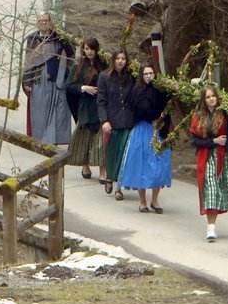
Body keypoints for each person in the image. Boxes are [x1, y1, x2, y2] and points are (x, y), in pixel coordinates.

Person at [190, 85, 228, 241]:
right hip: (207, 156)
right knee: (211, 189)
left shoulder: (224, 114)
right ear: (203, 100)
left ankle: (213, 223)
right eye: (208, 97)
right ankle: (210, 227)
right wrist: (214, 141)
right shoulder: (198, 117)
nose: (211, 99)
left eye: (213, 96)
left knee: (221, 189)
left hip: (223, 157)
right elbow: (195, 141)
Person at [119, 64, 172, 213]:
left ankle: (155, 200)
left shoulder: (160, 91)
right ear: (142, 76)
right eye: (146, 74)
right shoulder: (136, 91)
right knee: (141, 165)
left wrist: (163, 127)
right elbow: (137, 110)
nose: (149, 76)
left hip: (157, 130)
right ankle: (142, 201)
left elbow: (166, 109)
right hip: (142, 129)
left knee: (160, 164)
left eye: (151, 73)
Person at [21, 13, 75, 145]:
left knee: (58, 112)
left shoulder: (57, 37)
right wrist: (27, 81)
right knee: (40, 113)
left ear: (50, 21)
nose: (44, 23)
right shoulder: (32, 38)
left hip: (56, 79)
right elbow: (29, 61)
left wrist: (64, 39)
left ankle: (55, 142)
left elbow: (70, 54)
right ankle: (42, 143)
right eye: (41, 20)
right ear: (37, 22)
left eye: (46, 20)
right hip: (38, 79)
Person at [66, 37, 108, 181]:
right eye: (87, 49)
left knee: (101, 139)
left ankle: (103, 170)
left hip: (100, 105)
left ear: (97, 49)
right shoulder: (78, 66)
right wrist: (83, 88)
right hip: (84, 106)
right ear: (84, 50)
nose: (89, 52)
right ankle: (85, 165)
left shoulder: (103, 64)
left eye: (92, 49)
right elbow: (69, 86)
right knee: (84, 138)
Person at [97, 50, 135, 200]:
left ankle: (119, 187)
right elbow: (101, 101)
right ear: (113, 60)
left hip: (127, 120)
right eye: (118, 58)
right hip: (112, 121)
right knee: (112, 153)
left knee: (123, 153)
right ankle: (109, 177)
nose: (120, 61)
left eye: (123, 58)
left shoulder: (131, 77)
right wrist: (104, 121)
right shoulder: (104, 77)